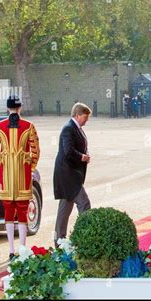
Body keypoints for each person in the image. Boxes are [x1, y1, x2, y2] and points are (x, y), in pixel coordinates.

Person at [0, 95, 40, 260]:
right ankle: (22, 249)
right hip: (23, 174)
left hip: (6, 174)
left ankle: (11, 249)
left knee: (8, 211)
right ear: (20, 108)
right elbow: (36, 151)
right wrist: (30, 166)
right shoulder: (29, 126)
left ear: (7, 108)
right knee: (23, 211)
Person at [53, 103, 92, 246]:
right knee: (84, 204)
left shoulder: (76, 128)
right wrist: (82, 157)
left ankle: (59, 239)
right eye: (85, 117)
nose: (86, 121)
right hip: (68, 175)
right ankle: (84, 236)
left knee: (65, 207)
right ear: (78, 114)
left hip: (69, 174)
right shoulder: (69, 129)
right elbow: (68, 151)